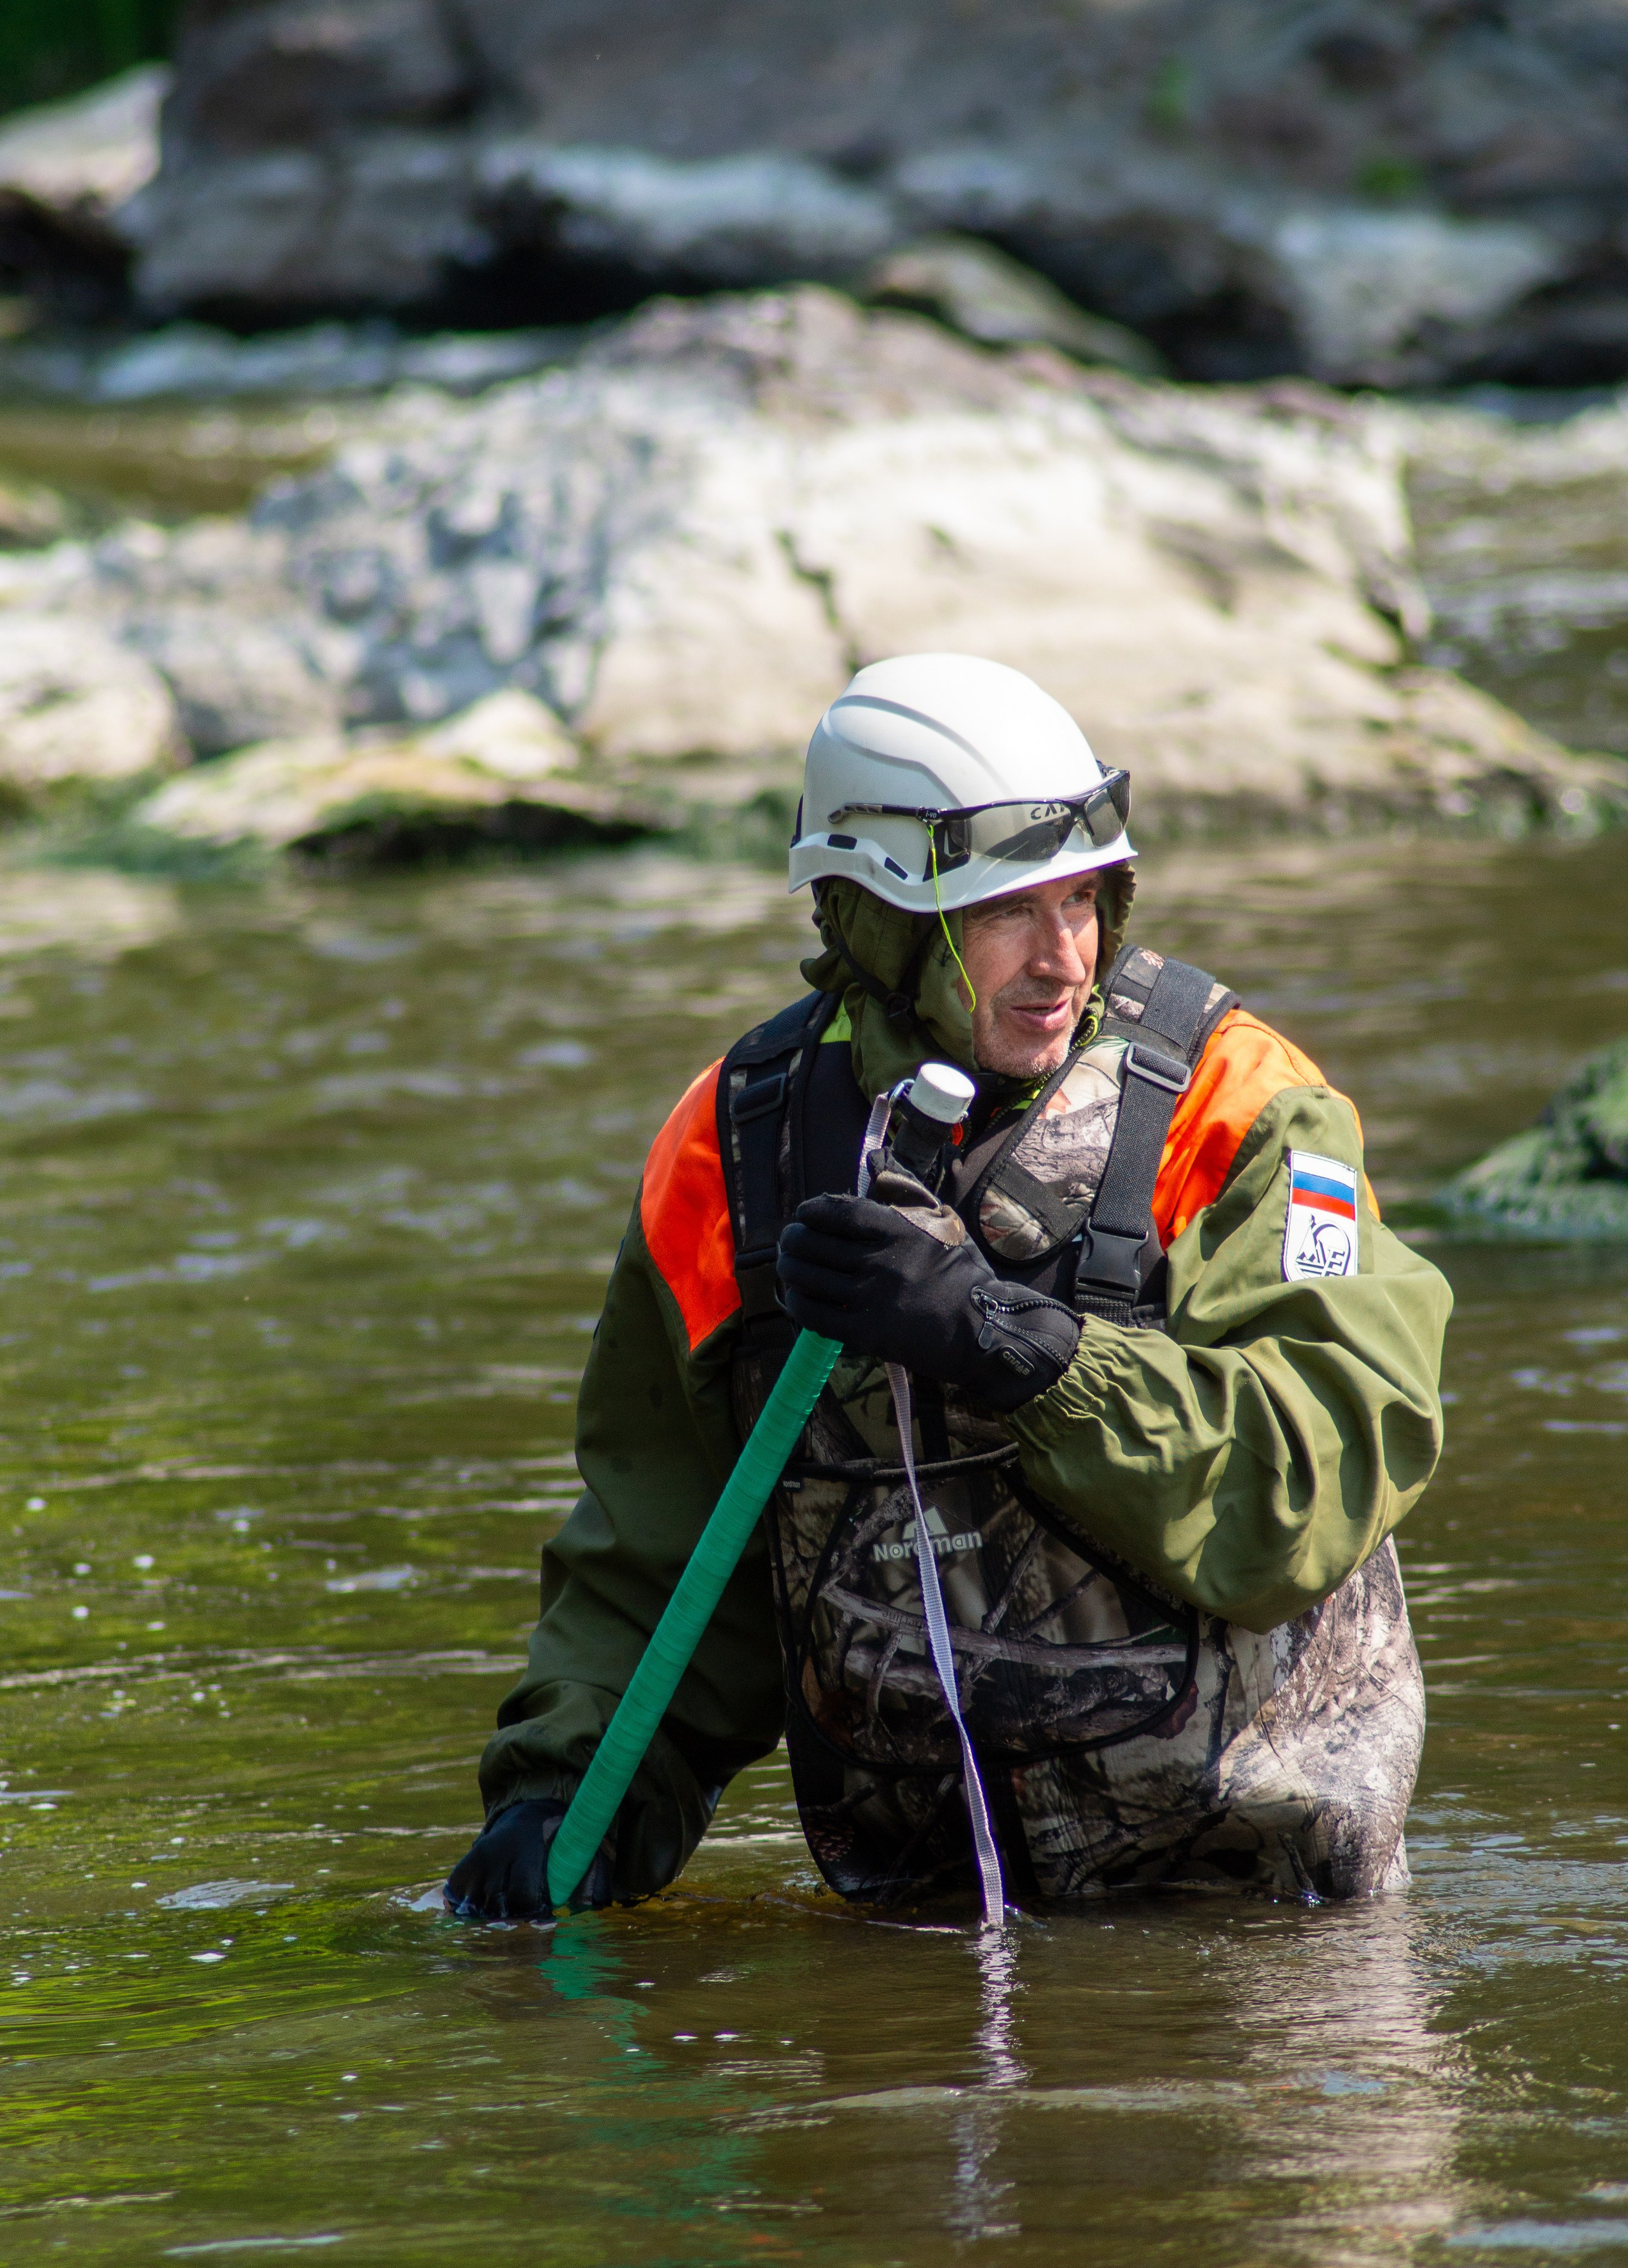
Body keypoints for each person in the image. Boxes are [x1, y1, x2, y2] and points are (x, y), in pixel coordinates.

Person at [445, 654, 1451, 1918]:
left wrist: (1007, 1343)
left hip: (1267, 1927)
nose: (1060, 956)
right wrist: (564, 1798)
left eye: (1085, 900)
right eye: (1004, 912)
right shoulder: (729, 1153)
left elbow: (1317, 1473)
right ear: (874, 918)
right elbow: (658, 1554)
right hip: (915, 1936)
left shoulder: (1247, 1110)